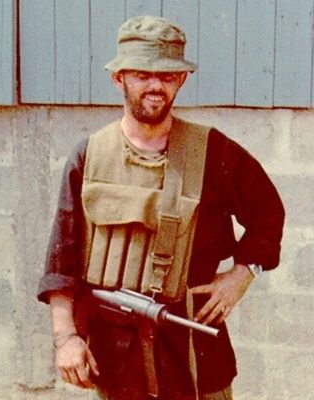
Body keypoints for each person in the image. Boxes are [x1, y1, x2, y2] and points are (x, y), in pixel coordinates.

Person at [37, 15, 285, 400]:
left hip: (194, 350)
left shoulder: (213, 153)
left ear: (181, 80)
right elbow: (61, 261)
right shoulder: (89, 157)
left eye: (167, 76)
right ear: (118, 78)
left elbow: (268, 213)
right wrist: (66, 337)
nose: (155, 86)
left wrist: (242, 275)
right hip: (115, 355)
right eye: (142, 74)